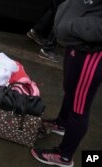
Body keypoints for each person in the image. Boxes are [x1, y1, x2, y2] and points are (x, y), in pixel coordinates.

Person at [31, 0, 102, 167]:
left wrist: (72, 25)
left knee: (79, 108)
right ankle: (61, 123)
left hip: (92, 53)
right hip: (75, 43)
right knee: (69, 89)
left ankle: (64, 156)